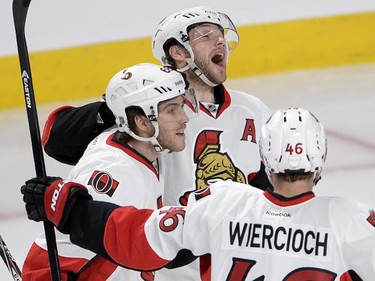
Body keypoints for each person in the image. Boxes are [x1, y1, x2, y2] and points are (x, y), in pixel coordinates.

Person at [41, 5, 272, 279]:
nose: (220, 40)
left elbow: (268, 190)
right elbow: (57, 142)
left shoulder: (254, 110)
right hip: (167, 266)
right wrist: (116, 107)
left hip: (232, 266)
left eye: (221, 34)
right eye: (206, 34)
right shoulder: (153, 109)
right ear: (178, 52)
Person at [22, 107, 375, 280]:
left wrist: (65, 204)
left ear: (264, 157)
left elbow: (135, 237)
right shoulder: (356, 223)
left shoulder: (223, 203)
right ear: (322, 157)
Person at [21, 63, 198, 280]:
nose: (184, 118)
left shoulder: (139, 149)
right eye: (172, 110)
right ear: (141, 121)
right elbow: (52, 259)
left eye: (181, 106)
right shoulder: (116, 171)